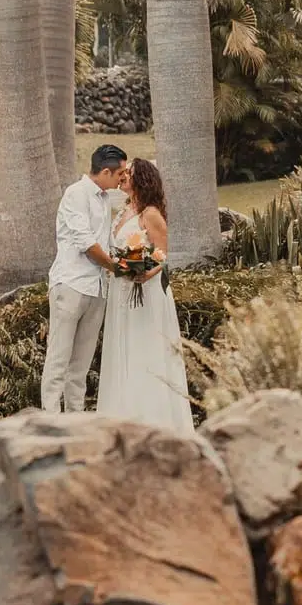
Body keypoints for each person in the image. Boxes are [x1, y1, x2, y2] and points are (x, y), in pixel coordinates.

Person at [96, 156, 194, 434]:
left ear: (143, 179)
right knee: (123, 348)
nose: (124, 176)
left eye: (130, 173)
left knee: (145, 349)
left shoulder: (150, 213)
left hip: (145, 292)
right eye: (123, 172)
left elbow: (162, 255)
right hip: (121, 292)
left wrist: (142, 273)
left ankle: (152, 419)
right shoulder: (125, 209)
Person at [40, 144, 127, 414]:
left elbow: (107, 241)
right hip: (71, 286)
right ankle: (51, 421)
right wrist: (118, 268)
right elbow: (86, 243)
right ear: (105, 171)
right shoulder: (76, 194)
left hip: (97, 288)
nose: (123, 178)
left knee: (80, 366)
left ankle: (75, 421)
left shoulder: (104, 198)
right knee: (58, 360)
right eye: (120, 174)